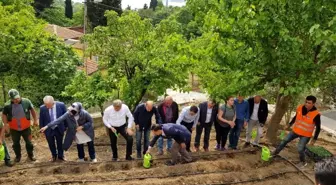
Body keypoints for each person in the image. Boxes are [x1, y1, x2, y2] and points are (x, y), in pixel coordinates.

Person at [272, 96, 321, 168]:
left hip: (306, 135)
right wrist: (289, 124)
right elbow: (295, 117)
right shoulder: (300, 108)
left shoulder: (316, 114)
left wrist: (314, 139)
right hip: (295, 131)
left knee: (300, 149)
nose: (306, 104)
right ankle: (275, 153)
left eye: (309, 103)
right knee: (284, 141)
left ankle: (303, 162)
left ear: (313, 104)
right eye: (306, 102)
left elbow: (318, 128)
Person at [2, 89, 38, 162]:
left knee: (29, 142)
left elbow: (32, 110)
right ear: (11, 98)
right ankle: (18, 156)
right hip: (14, 128)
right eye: (14, 99)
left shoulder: (26, 101)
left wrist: (35, 120)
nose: (16, 100)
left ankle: (30, 155)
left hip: (26, 127)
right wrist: (5, 124)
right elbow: (4, 114)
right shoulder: (7, 105)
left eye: (17, 98)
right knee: (16, 144)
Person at [39, 96, 67, 162]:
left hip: (59, 127)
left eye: (48, 105)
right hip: (48, 129)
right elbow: (41, 119)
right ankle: (54, 156)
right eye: (46, 105)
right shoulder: (42, 108)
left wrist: (65, 127)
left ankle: (61, 156)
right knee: (51, 143)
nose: (47, 107)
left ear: (53, 102)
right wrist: (41, 129)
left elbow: (66, 117)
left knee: (60, 142)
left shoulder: (61, 105)